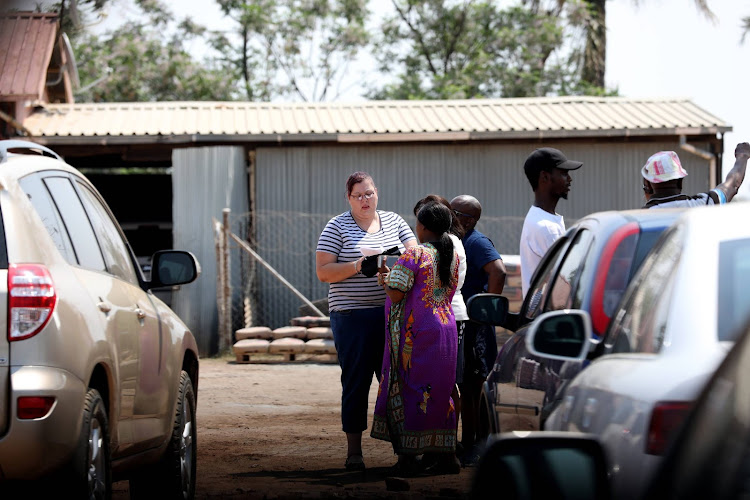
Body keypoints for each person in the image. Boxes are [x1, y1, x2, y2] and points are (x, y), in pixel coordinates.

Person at [316, 171, 417, 472]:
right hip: (352, 316)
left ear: (377, 193)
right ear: (348, 198)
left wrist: (396, 265)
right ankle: (354, 452)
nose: (364, 200)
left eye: (369, 193)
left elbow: (415, 255)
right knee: (357, 381)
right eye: (358, 195)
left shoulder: (396, 222)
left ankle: (405, 451)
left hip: (392, 313)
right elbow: (323, 272)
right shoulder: (337, 226)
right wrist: (358, 266)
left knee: (397, 381)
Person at [371, 201, 462, 475]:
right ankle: (445, 455)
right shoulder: (452, 255)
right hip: (446, 329)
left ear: (421, 227)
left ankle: (408, 457)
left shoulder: (414, 254)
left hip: (417, 332)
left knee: (412, 387)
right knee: (440, 391)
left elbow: (397, 293)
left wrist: (385, 280)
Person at [449, 194, 506, 465]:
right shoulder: (458, 241)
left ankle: (477, 445)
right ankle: (468, 442)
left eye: (454, 211)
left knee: (474, 389)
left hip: (476, 326)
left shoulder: (477, 242)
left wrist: (487, 311)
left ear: (467, 219)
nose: (449, 215)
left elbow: (499, 271)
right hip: (465, 323)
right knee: (466, 386)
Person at [413, 195, 468, 436]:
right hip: (446, 316)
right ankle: (444, 442)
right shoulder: (445, 244)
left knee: (447, 383)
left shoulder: (447, 245)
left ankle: (447, 441)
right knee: (443, 382)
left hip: (446, 315)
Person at [519, 147, 583, 298]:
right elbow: (565, 280)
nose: (569, 179)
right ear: (545, 177)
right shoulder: (546, 227)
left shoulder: (543, 219)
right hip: (548, 315)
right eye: (563, 173)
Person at [641, 143, 750, 208]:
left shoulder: (641, 219)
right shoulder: (703, 204)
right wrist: (742, 156)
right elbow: (732, 185)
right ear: (680, 181)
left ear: (648, 185)